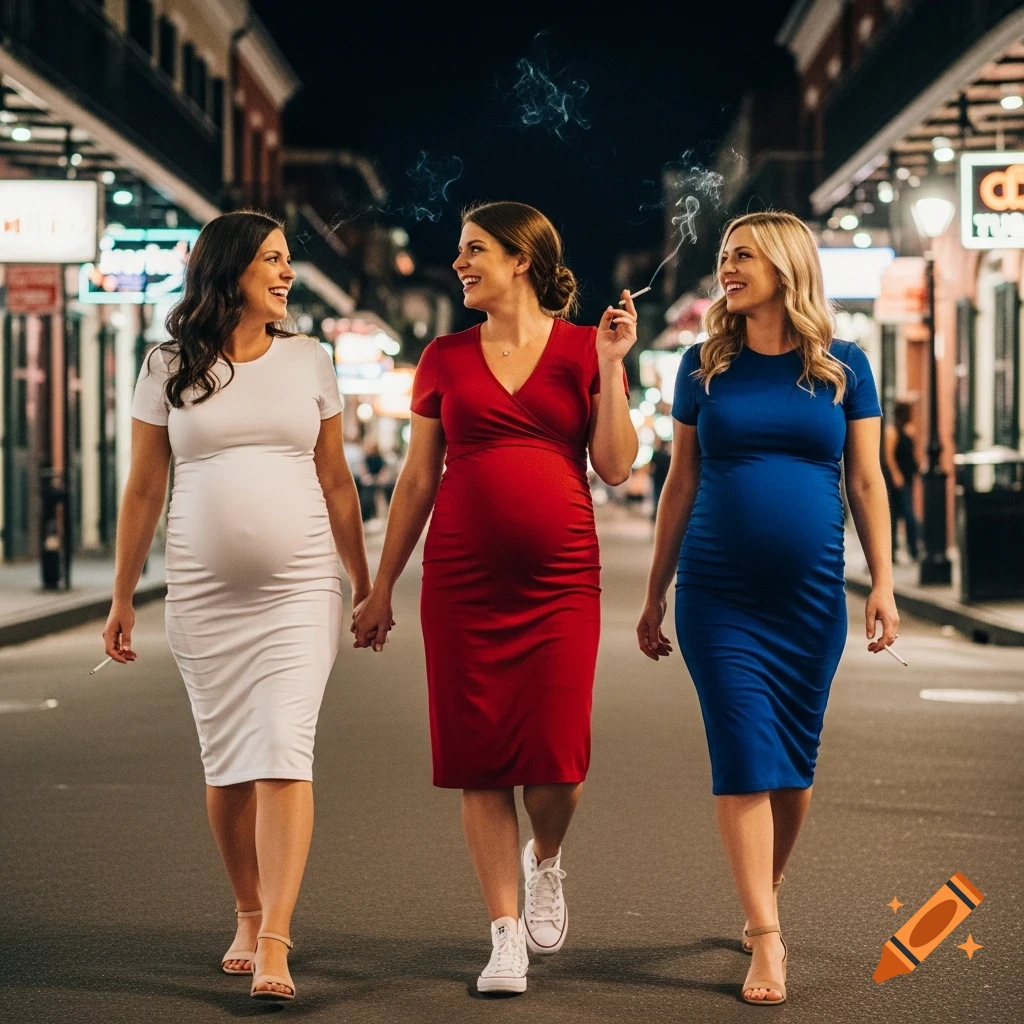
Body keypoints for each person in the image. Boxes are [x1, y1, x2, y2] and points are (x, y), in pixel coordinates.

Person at [352, 201, 637, 996]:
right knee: (480, 761)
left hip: (561, 581)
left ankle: (546, 861)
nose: (459, 262)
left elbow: (614, 465)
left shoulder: (587, 347)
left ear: (522, 260)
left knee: (559, 764)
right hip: (462, 580)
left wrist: (614, 368)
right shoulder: (443, 356)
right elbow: (416, 481)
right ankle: (503, 933)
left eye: (474, 249)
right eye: (460, 249)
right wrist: (379, 586)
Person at [102, 211, 371, 1003]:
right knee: (228, 767)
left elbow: (336, 482)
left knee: (284, 750)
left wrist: (366, 583)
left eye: (289, 261)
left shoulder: (312, 359)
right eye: (273, 261)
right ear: (230, 271)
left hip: (300, 589)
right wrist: (121, 595)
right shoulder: (166, 365)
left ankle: (278, 941)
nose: (287, 274)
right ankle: (248, 911)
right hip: (202, 592)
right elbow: (146, 486)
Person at [636, 211, 899, 1007]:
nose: (727, 267)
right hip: (718, 595)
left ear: (786, 266)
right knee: (746, 756)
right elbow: (678, 484)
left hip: (810, 595)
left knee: (793, 768)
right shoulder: (701, 366)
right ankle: (766, 935)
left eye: (742, 254)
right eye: (723, 255)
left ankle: (763, 893)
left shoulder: (844, 366)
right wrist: (655, 592)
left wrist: (882, 581)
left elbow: (866, 481)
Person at [884, 401, 920, 562]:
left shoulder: (909, 430)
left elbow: (913, 453)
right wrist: (896, 475)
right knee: (900, 515)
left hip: (908, 476)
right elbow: (889, 456)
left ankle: (913, 550)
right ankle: (892, 553)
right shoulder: (892, 431)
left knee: (905, 514)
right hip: (897, 480)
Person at [648, 436, 672, 521]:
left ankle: (656, 516)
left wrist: (650, 475)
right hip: (665, 479)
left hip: (657, 479)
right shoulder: (667, 456)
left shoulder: (656, 454)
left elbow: (651, 467)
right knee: (664, 497)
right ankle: (662, 517)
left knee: (656, 497)